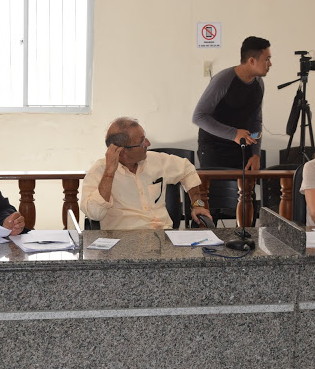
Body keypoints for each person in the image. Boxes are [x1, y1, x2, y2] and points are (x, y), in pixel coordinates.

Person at [80, 117, 213, 230]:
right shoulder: (99, 170)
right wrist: (109, 174)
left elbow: (187, 169)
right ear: (122, 151)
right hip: (123, 240)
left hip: (164, 237)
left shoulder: (156, 160)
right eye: (142, 142)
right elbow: (95, 214)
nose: (148, 143)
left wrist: (197, 204)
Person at [192, 36, 272, 172]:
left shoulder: (259, 83)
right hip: (214, 150)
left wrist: (256, 154)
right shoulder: (222, 80)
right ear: (252, 61)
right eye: (267, 59)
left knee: (246, 187)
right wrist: (233, 134)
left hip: (242, 149)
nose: (270, 64)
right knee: (218, 187)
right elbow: (198, 117)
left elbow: (256, 120)